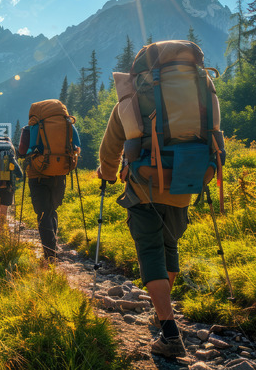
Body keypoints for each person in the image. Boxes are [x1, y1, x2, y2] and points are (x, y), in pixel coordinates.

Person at [98, 105, 192, 358]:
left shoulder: (130, 100)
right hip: (184, 182)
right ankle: (163, 314)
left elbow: (110, 148)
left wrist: (106, 173)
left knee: (151, 251)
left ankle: (170, 333)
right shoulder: (199, 87)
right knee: (170, 246)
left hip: (143, 187)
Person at [18, 127, 78, 262]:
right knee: (51, 210)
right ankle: (52, 247)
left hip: (37, 176)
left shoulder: (30, 127)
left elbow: (22, 150)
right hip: (59, 174)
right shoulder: (66, 124)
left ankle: (50, 254)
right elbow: (77, 146)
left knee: (43, 213)